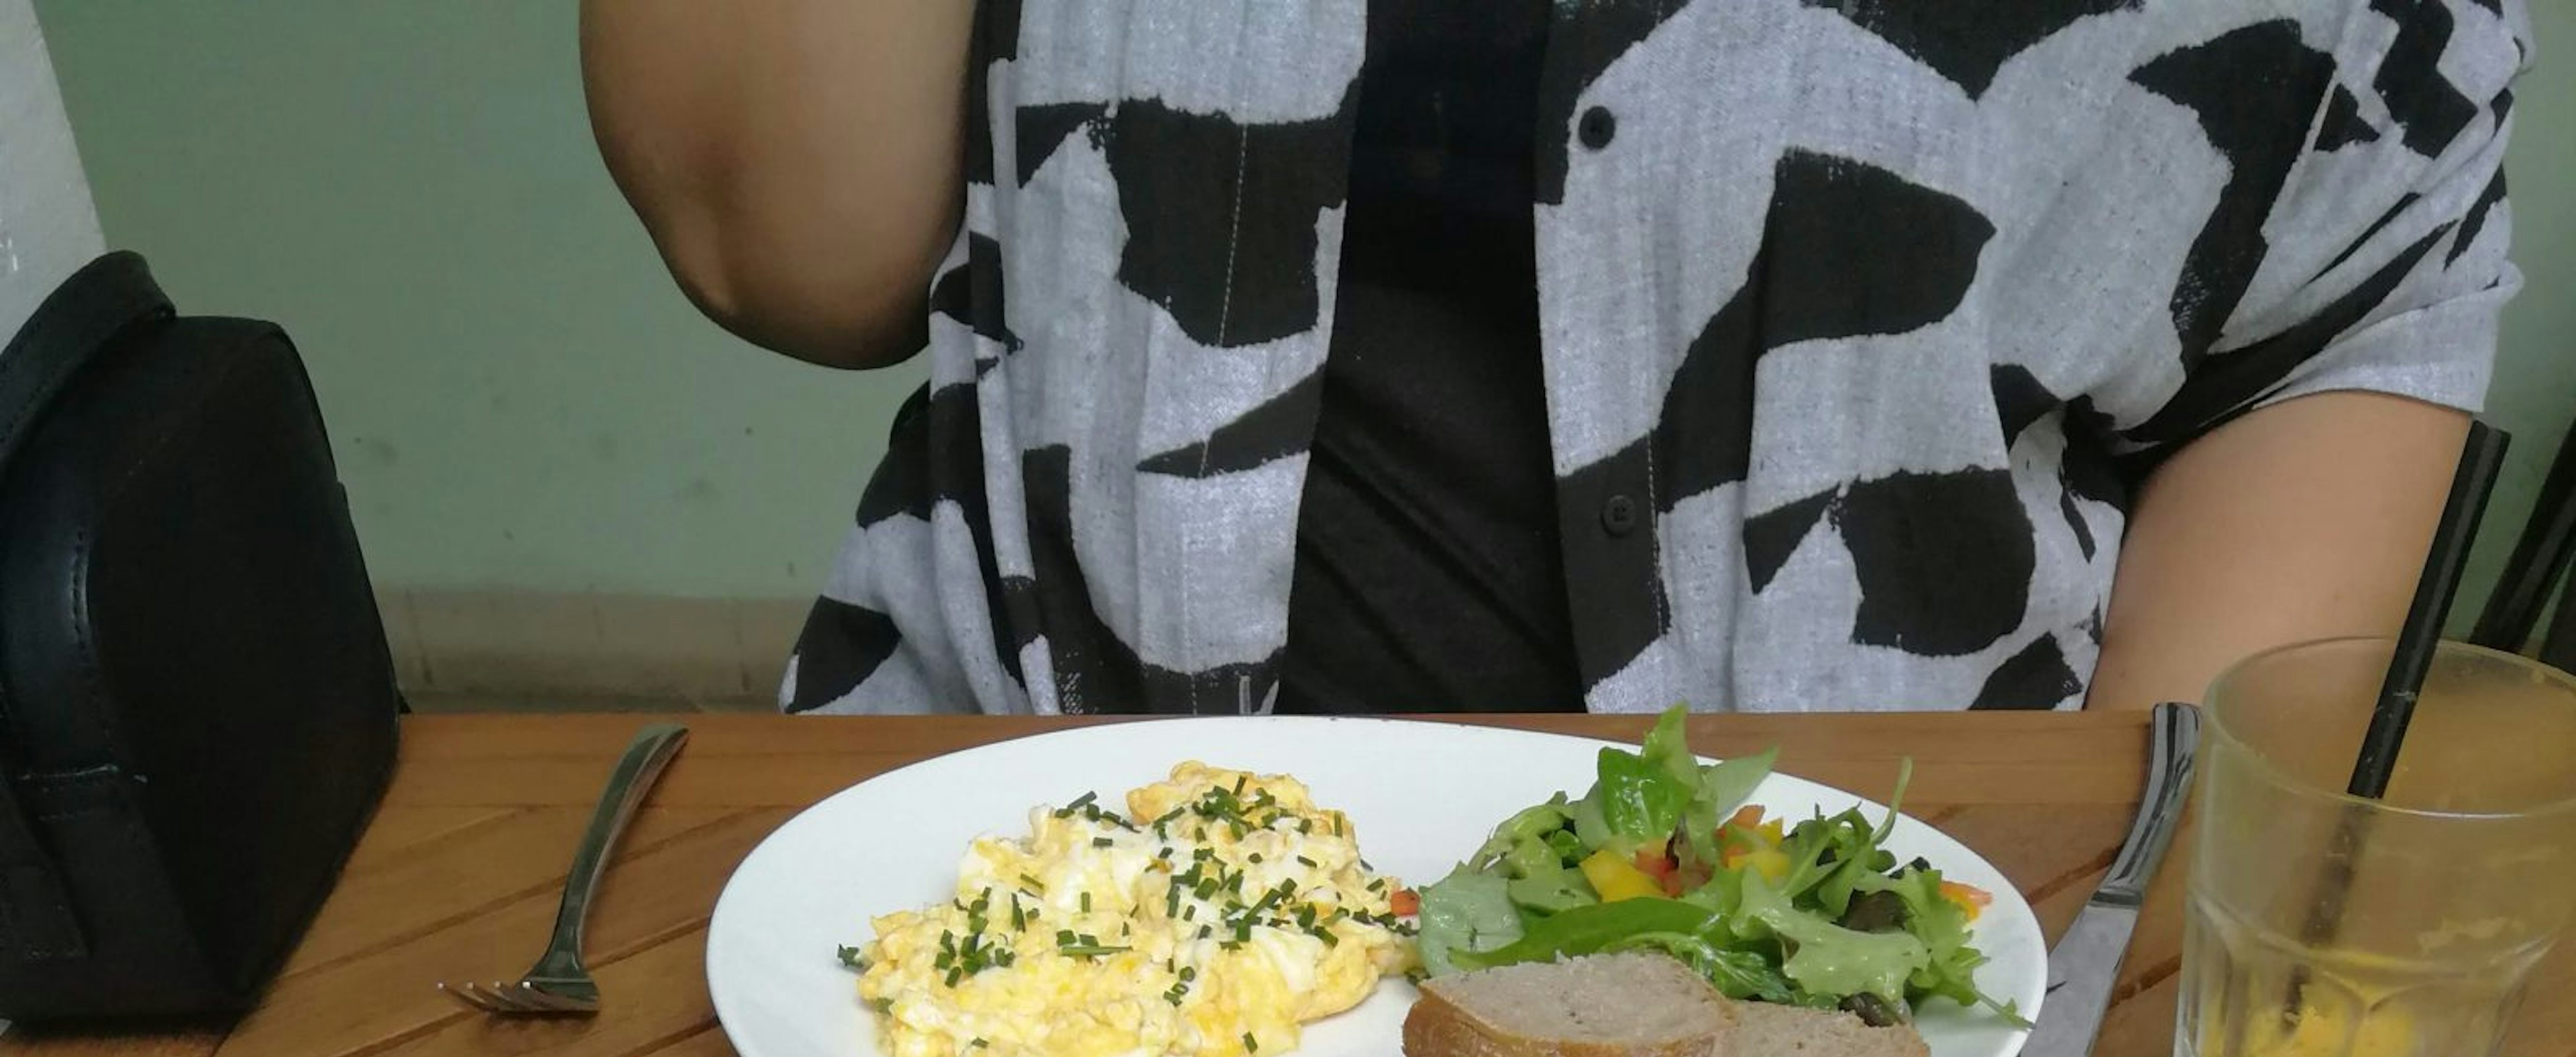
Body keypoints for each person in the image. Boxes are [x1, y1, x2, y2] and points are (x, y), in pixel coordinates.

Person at [582, 0, 2528, 719]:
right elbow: (784, 251)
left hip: (1857, 955)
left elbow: (2339, 300)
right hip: (1017, 885)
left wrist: (2084, 1013)